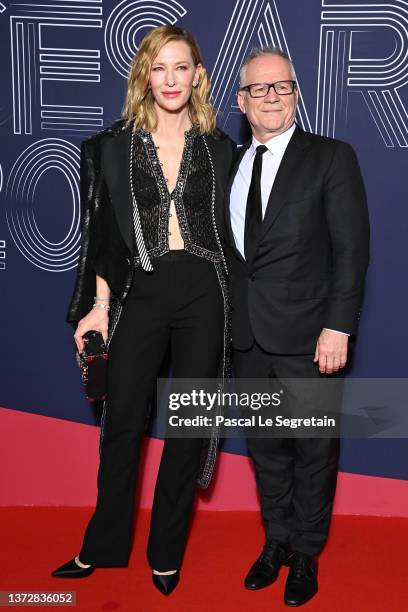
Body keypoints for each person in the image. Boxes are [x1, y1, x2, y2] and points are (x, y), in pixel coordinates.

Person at [51, 25, 234, 596]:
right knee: (123, 422)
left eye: (182, 67)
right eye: (159, 68)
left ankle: (165, 551)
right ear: (144, 77)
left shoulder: (221, 147)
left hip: (206, 293)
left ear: (197, 75)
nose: (171, 79)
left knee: (191, 425)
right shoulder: (112, 147)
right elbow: (105, 239)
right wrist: (98, 307)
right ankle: (102, 545)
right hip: (142, 292)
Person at [224, 46, 369, 606]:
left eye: (281, 86)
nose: (271, 97)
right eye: (259, 89)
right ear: (241, 101)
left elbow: (352, 251)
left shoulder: (331, 157)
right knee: (265, 450)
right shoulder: (229, 163)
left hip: (311, 339)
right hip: (247, 338)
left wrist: (339, 327)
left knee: (313, 449)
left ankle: (307, 553)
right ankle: (277, 542)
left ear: (297, 93)